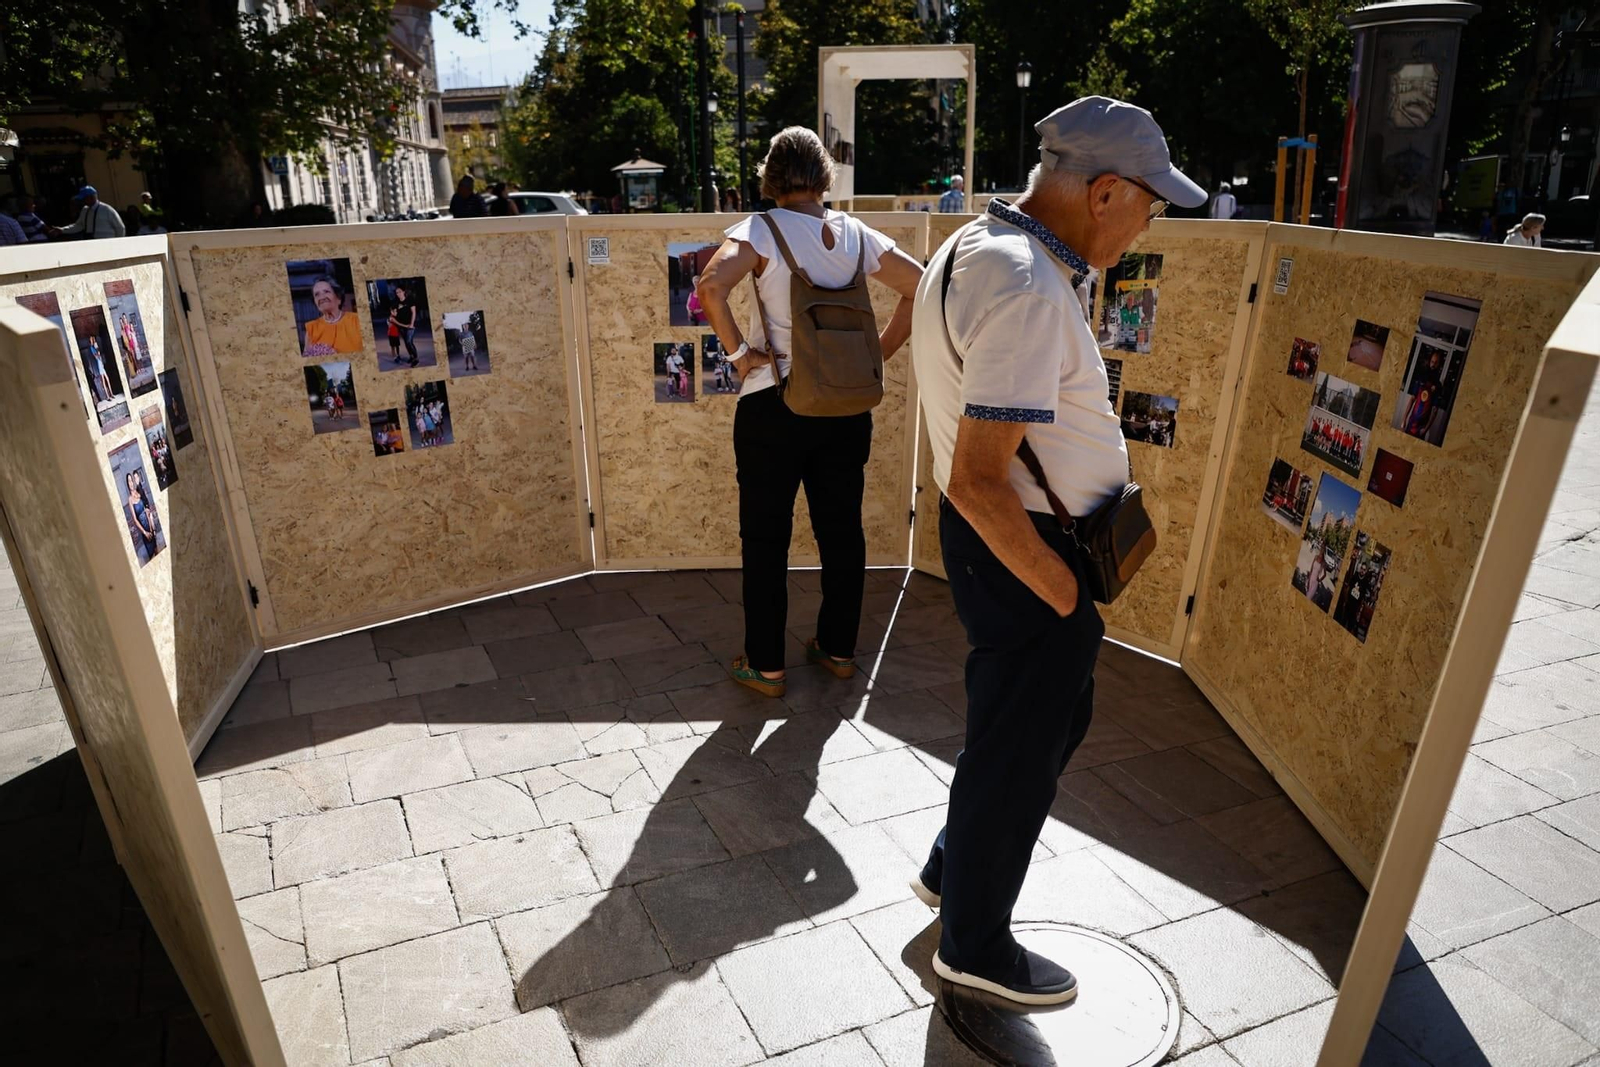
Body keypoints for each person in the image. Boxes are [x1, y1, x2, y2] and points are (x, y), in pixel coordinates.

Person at [907, 95, 1206, 1006]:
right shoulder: (1027, 286)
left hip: (1015, 543)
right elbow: (980, 478)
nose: (1154, 218)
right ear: (1106, 191)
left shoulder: (976, 246)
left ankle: (952, 869)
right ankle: (975, 943)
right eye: (1151, 201)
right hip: (1026, 548)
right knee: (1023, 740)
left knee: (1029, 723)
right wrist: (1067, 597)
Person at [695, 126, 923, 696]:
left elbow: (710, 285)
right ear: (824, 175)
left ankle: (766, 665)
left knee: (766, 537)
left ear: (771, 177)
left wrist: (739, 355)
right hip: (846, 407)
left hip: (774, 402)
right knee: (842, 530)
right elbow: (920, 286)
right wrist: (876, 355)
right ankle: (838, 649)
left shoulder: (760, 231)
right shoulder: (855, 233)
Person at [303, 275, 363, 355]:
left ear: (338, 298)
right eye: (317, 294)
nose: (322, 297)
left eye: (326, 292)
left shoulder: (357, 320)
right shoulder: (312, 329)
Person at [50, 186, 126, 240]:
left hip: (106, 242)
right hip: (91, 242)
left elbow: (120, 227)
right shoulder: (85, 210)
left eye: (84, 198)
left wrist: (118, 242)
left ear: (92, 197)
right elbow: (79, 225)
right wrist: (62, 230)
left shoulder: (106, 209)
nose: (82, 201)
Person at [126, 472, 158, 559]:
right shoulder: (130, 499)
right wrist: (145, 532)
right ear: (127, 484)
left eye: (131, 480)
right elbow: (135, 520)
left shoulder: (138, 491)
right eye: (129, 481)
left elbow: (146, 507)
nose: (131, 483)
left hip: (149, 525)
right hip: (144, 529)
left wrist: (152, 526)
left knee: (156, 549)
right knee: (151, 555)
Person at [392, 284, 420, 366]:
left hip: (410, 325)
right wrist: (393, 313)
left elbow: (413, 312)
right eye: (396, 292)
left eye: (400, 292)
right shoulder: (396, 302)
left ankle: (416, 358)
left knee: (409, 342)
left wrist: (411, 324)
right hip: (401, 326)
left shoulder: (410, 300)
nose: (398, 294)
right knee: (406, 342)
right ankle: (411, 356)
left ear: (404, 292)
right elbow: (395, 314)